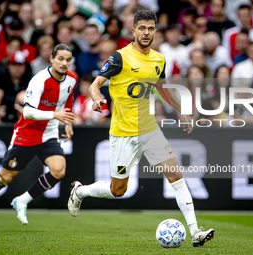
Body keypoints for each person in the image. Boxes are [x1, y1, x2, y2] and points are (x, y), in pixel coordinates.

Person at [67, 10, 214, 247]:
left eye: (151, 28)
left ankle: (195, 231)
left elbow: (162, 88)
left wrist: (181, 110)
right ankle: (80, 191)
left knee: (176, 175)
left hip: (150, 130)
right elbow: (96, 85)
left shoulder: (158, 59)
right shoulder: (119, 58)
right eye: (142, 28)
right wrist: (95, 99)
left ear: (155, 31)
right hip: (123, 133)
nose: (146, 33)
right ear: (133, 31)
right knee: (118, 190)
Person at [0, 44, 77, 232]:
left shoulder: (72, 79)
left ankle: (22, 200)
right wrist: (54, 115)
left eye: (68, 60)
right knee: (5, 177)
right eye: (60, 59)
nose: (64, 63)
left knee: (58, 170)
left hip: (48, 133)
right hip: (27, 134)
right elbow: (28, 112)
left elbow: (69, 98)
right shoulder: (39, 80)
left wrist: (68, 123)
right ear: (52, 59)